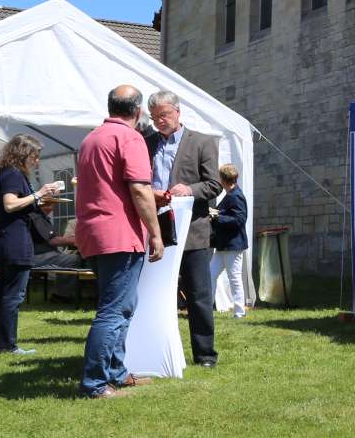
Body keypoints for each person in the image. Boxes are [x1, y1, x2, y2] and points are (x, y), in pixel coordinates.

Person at [76, 85, 164, 398]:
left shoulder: (91, 139)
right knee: (113, 311)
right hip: (119, 235)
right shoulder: (130, 138)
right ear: (138, 111)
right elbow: (139, 189)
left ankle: (115, 372)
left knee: (123, 306)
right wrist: (155, 233)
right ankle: (95, 384)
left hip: (92, 233)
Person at [146, 90, 223, 367]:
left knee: (198, 295)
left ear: (178, 112)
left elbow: (214, 185)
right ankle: (156, 349)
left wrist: (188, 189)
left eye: (164, 115)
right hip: (156, 229)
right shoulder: (147, 143)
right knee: (155, 293)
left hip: (193, 231)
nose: (159, 121)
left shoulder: (202, 142)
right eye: (154, 117)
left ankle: (204, 355)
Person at [0, 134, 63, 355]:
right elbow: (10, 204)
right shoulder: (13, 175)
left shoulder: (10, 174)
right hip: (13, 241)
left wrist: (41, 198)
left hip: (7, 239)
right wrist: (38, 194)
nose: (36, 161)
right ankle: (6, 345)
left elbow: (19, 204)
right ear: (23, 154)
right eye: (34, 157)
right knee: (12, 295)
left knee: (2, 294)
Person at [210, 163, 249, 319]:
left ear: (223, 180)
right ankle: (207, 310)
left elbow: (239, 220)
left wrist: (217, 216)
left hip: (233, 245)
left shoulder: (236, 196)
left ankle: (240, 312)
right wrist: (216, 213)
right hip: (223, 245)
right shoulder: (231, 194)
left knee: (234, 278)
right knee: (210, 275)